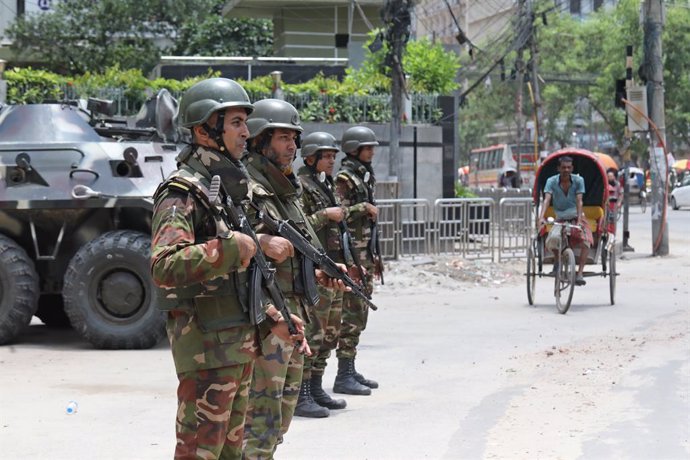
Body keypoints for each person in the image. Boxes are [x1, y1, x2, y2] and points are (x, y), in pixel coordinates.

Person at [150, 78, 304, 460]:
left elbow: (234, 279)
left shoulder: (223, 189)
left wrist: (272, 317)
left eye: (244, 123)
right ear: (204, 129)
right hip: (206, 352)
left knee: (232, 453)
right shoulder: (182, 192)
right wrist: (236, 246)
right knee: (200, 452)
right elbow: (164, 264)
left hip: (236, 346)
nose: (245, 132)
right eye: (235, 122)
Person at [241, 99, 349, 458]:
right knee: (260, 420)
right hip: (267, 320)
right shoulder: (246, 186)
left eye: (293, 138)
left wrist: (319, 271)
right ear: (260, 140)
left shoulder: (287, 189)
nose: (291, 146)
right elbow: (238, 254)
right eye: (283, 137)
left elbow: (299, 246)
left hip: (293, 315)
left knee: (281, 419)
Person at [294, 132, 358, 418]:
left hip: (333, 265)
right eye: (326, 156)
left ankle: (317, 386)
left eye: (334, 156)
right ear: (310, 158)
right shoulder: (301, 186)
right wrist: (325, 215)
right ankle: (302, 392)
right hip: (315, 268)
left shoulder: (325, 184)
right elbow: (299, 225)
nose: (332, 160)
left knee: (330, 333)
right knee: (314, 331)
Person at [333, 125, 383, 396]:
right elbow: (337, 212)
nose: (372, 151)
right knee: (352, 313)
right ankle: (343, 374)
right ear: (354, 149)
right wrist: (362, 208)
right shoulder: (345, 178)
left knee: (360, 314)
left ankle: (349, 369)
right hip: (352, 254)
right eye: (367, 147)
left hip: (364, 253)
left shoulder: (363, 175)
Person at [537, 155, 593, 286]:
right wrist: (541, 218)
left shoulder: (579, 180)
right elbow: (547, 199)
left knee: (587, 241)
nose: (566, 170)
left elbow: (579, 200)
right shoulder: (551, 181)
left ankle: (579, 273)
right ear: (558, 168)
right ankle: (557, 261)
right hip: (560, 218)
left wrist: (579, 220)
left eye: (568, 167)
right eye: (563, 168)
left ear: (572, 168)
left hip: (576, 216)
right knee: (552, 239)